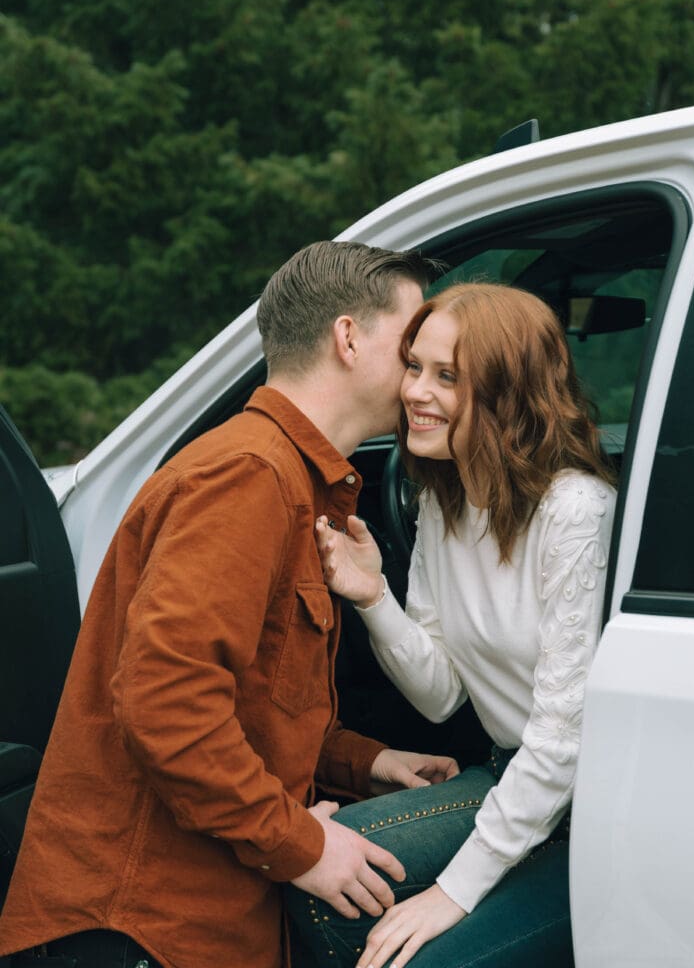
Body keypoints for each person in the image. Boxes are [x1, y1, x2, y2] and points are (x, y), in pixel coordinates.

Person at [0, 241, 460, 968]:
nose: (419, 374)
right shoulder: (247, 475)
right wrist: (303, 847)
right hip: (139, 929)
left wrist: (367, 764)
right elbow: (166, 705)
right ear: (347, 337)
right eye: (409, 347)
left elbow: (250, 702)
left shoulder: (287, 477)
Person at [287, 282, 617, 968]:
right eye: (414, 367)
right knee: (328, 876)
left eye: (447, 377)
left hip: (600, 811)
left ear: (506, 394)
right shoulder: (445, 501)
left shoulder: (575, 511)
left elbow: (563, 741)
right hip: (508, 780)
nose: (414, 393)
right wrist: (372, 595)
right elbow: (440, 695)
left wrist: (453, 894)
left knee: (422, 956)